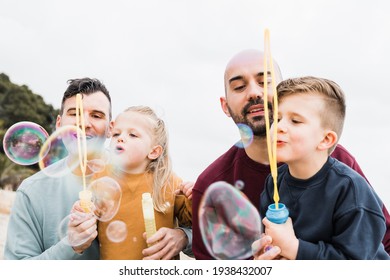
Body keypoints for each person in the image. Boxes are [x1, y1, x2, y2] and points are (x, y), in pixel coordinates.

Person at [191, 49, 390, 259]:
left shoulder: (340, 167)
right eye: (239, 87)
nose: (254, 93)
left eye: (264, 82)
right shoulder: (216, 184)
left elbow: (373, 249)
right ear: (225, 105)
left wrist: (296, 250)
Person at [5, 79, 192, 259]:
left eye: (96, 115)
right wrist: (70, 245)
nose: (84, 124)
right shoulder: (31, 192)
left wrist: (183, 237)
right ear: (59, 124)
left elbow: (199, 225)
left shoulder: (146, 171)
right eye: (74, 113)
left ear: (110, 128)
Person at [260, 76, 389, 259]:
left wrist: (294, 248)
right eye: (277, 118)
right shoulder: (274, 183)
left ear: (325, 140)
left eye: (295, 121)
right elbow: (271, 242)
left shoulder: (350, 191)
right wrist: (265, 253)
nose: (279, 127)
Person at [72, 105, 192, 259]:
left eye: (133, 135)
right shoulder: (101, 178)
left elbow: (190, 224)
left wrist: (192, 198)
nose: (120, 138)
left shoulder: (168, 181)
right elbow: (88, 224)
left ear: (154, 151)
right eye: (116, 134)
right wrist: (82, 215)